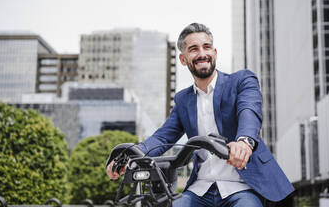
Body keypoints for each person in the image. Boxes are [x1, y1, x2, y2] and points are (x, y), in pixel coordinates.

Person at [107, 23, 294, 206]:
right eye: (194, 49)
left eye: (207, 47)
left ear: (214, 52)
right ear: (183, 59)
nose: (202, 54)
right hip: (200, 189)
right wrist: (130, 157)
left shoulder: (241, 81)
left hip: (242, 186)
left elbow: (249, 111)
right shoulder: (183, 99)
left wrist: (244, 142)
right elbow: (161, 137)